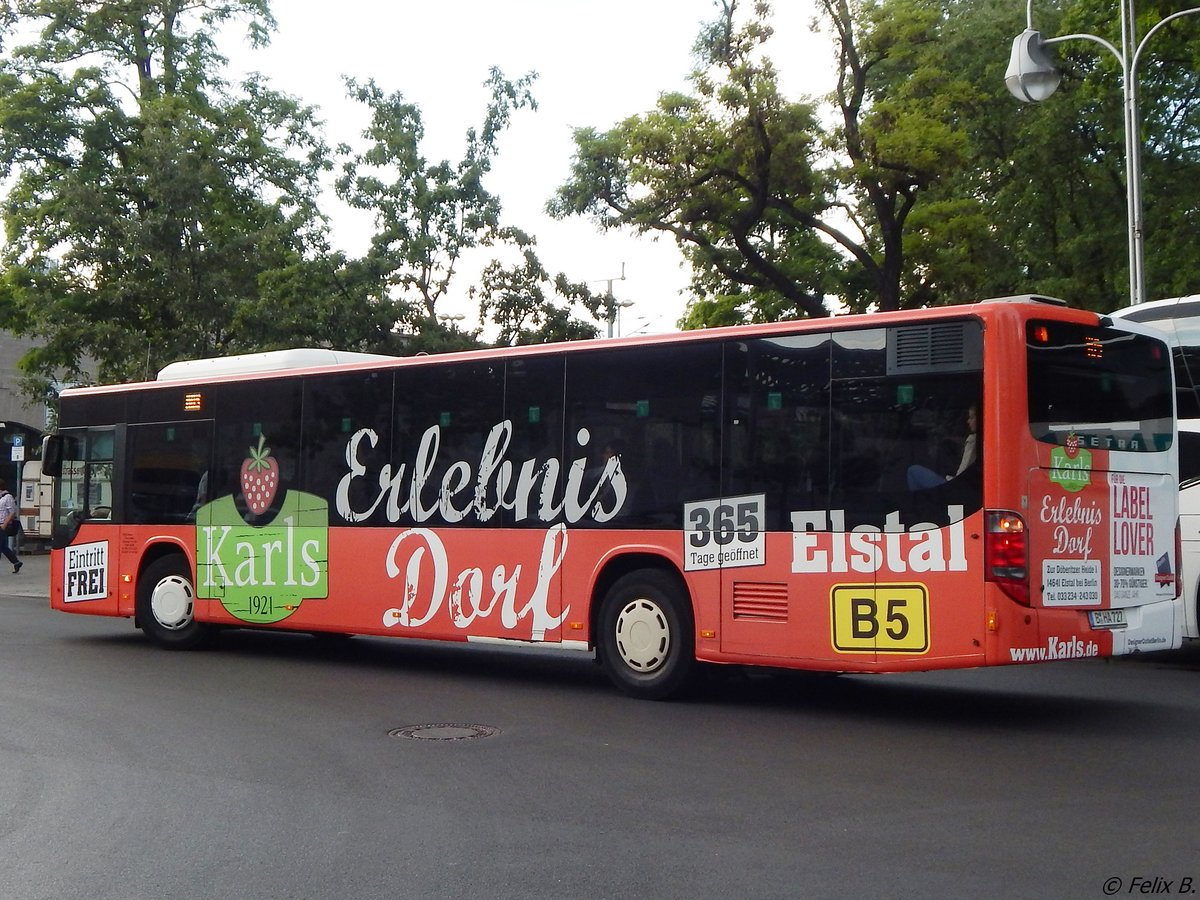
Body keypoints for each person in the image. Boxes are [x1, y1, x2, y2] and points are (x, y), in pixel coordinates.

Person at [907, 405, 978, 491]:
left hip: (955, 489)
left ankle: (919, 502)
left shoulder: (973, 440)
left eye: (971, 417)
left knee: (913, 470)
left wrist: (949, 479)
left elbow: (962, 472)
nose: (968, 421)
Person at [0, 479, 22, 574]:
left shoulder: (8, 497)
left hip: (3, 525)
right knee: (3, 546)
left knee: (1, 546)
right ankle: (16, 562)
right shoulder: (0, 498)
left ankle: (16, 562)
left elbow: (12, 512)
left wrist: (4, 525)